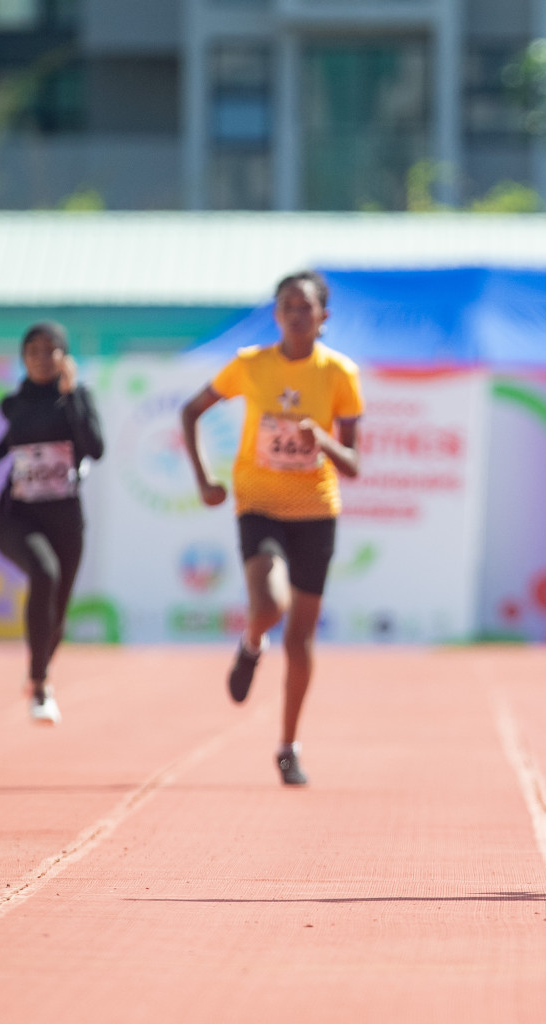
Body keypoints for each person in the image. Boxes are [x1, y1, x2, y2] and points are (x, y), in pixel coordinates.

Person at [179, 271, 364, 786]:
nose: (295, 314)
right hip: (258, 503)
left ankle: (288, 745)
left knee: (301, 637)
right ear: (276, 314)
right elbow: (191, 411)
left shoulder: (340, 374)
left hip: (316, 511)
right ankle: (252, 644)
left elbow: (352, 462)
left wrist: (320, 440)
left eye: (305, 306)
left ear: (323, 317)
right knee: (268, 605)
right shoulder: (249, 365)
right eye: (286, 305)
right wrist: (204, 480)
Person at [0, 321, 104, 725]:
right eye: (33, 351)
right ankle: (39, 683)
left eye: (50, 350)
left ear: (65, 357)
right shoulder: (15, 403)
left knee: (57, 610)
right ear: (23, 359)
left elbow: (95, 448)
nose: (42, 358)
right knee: (44, 572)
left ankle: (40, 673)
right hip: (18, 516)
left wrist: (70, 395)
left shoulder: (78, 399)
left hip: (65, 517)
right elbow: (13, 439)